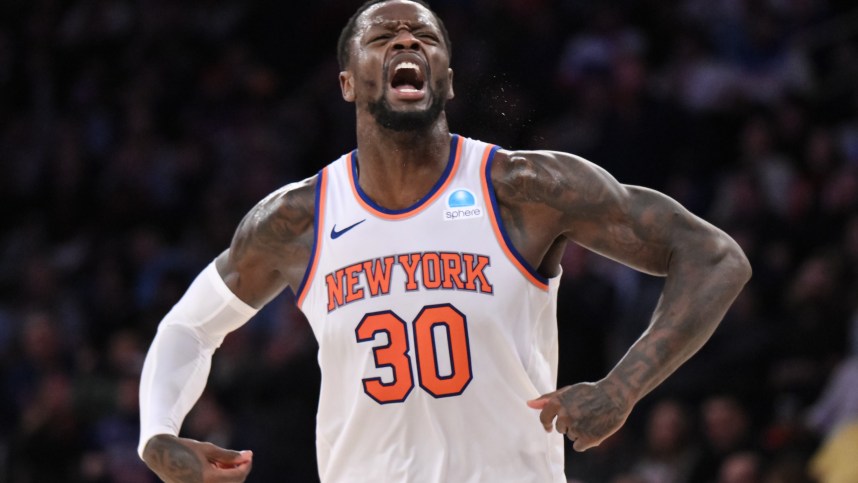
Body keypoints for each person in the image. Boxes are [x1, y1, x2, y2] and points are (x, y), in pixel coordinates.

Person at [137, 0, 752, 481]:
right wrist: (156, 434)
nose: (407, 41)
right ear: (348, 82)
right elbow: (188, 328)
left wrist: (623, 387)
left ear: (448, 81)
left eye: (425, 37)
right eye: (383, 37)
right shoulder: (297, 220)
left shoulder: (522, 187)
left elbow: (714, 256)